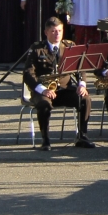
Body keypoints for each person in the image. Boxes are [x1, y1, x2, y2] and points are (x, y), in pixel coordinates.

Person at [23, 16, 94, 150]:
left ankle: (82, 136)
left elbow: (80, 68)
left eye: (60, 31)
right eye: (53, 31)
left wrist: (82, 85)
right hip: (44, 91)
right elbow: (28, 74)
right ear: (46, 32)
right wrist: (43, 90)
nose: (57, 34)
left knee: (85, 99)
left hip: (64, 89)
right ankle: (45, 140)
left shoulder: (69, 46)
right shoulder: (37, 48)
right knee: (44, 104)